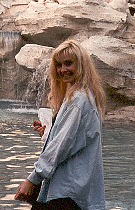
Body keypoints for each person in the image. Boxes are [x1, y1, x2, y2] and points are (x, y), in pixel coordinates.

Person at [14, 39, 106, 209]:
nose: (62, 70)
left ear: (81, 65)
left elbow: (60, 147)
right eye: (58, 65)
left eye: (68, 63)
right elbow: (70, 141)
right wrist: (49, 134)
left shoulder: (78, 101)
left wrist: (32, 179)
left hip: (66, 191)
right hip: (70, 189)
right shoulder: (80, 97)